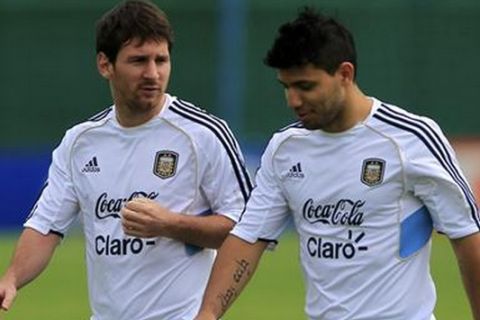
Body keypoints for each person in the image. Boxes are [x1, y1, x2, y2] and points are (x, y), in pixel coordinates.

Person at [194, 7, 480, 320]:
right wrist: (207, 313)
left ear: (345, 74)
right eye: (286, 87)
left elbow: (467, 235)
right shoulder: (285, 148)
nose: (293, 100)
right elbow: (249, 237)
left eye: (305, 86)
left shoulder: (411, 138)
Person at [0, 1, 252, 319]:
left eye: (161, 60)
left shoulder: (203, 134)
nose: (152, 73)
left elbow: (247, 231)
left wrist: (169, 224)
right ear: (105, 65)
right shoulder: (80, 142)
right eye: (138, 61)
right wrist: (11, 278)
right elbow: (46, 226)